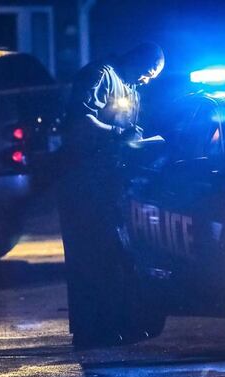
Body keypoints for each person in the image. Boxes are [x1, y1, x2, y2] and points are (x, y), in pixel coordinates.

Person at [58, 42, 164, 347]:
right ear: (138, 59)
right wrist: (118, 135)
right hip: (81, 180)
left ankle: (114, 324)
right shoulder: (100, 76)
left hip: (111, 182)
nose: (148, 80)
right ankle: (90, 330)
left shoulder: (131, 87)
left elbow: (132, 127)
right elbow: (81, 121)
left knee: (115, 254)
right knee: (88, 256)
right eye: (148, 72)